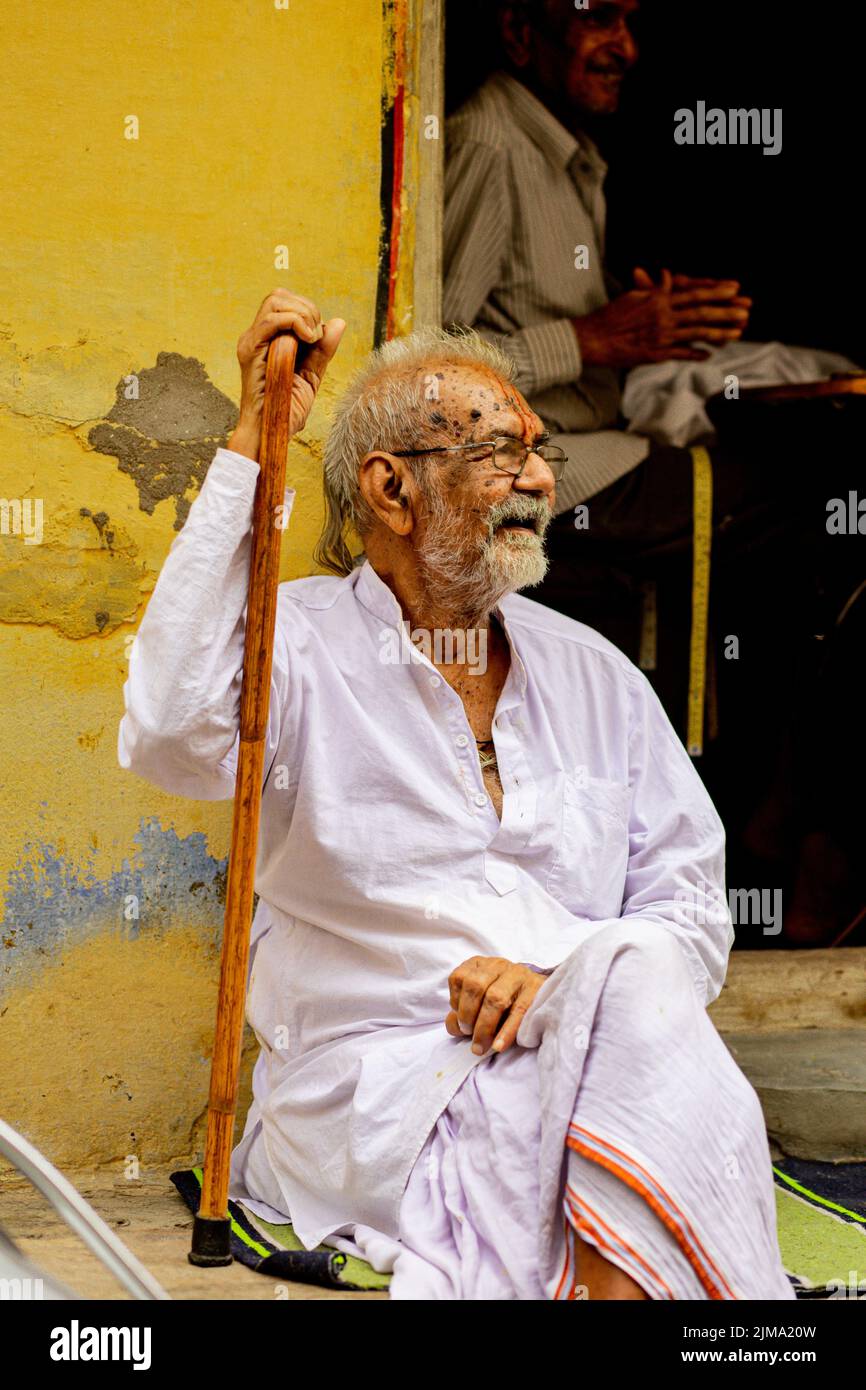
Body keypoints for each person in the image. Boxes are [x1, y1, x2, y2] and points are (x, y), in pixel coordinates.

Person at [118, 290, 793, 1299]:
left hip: (596, 1041)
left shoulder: (593, 674)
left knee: (644, 1021)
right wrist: (256, 441)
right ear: (391, 492)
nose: (536, 477)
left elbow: (689, 911)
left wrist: (563, 981)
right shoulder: (296, 646)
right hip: (385, 1077)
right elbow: (169, 734)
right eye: (496, 452)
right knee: (584, 1132)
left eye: (537, 448)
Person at [444, 0, 864, 942]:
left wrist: (642, 330)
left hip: (602, 435)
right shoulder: (490, 142)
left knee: (785, 518)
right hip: (555, 463)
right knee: (800, 507)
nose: (622, 45)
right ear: (520, 35)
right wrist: (592, 338)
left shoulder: (565, 152)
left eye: (630, 20)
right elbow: (429, 351)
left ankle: (767, 798)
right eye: (593, 16)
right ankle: (778, 817)